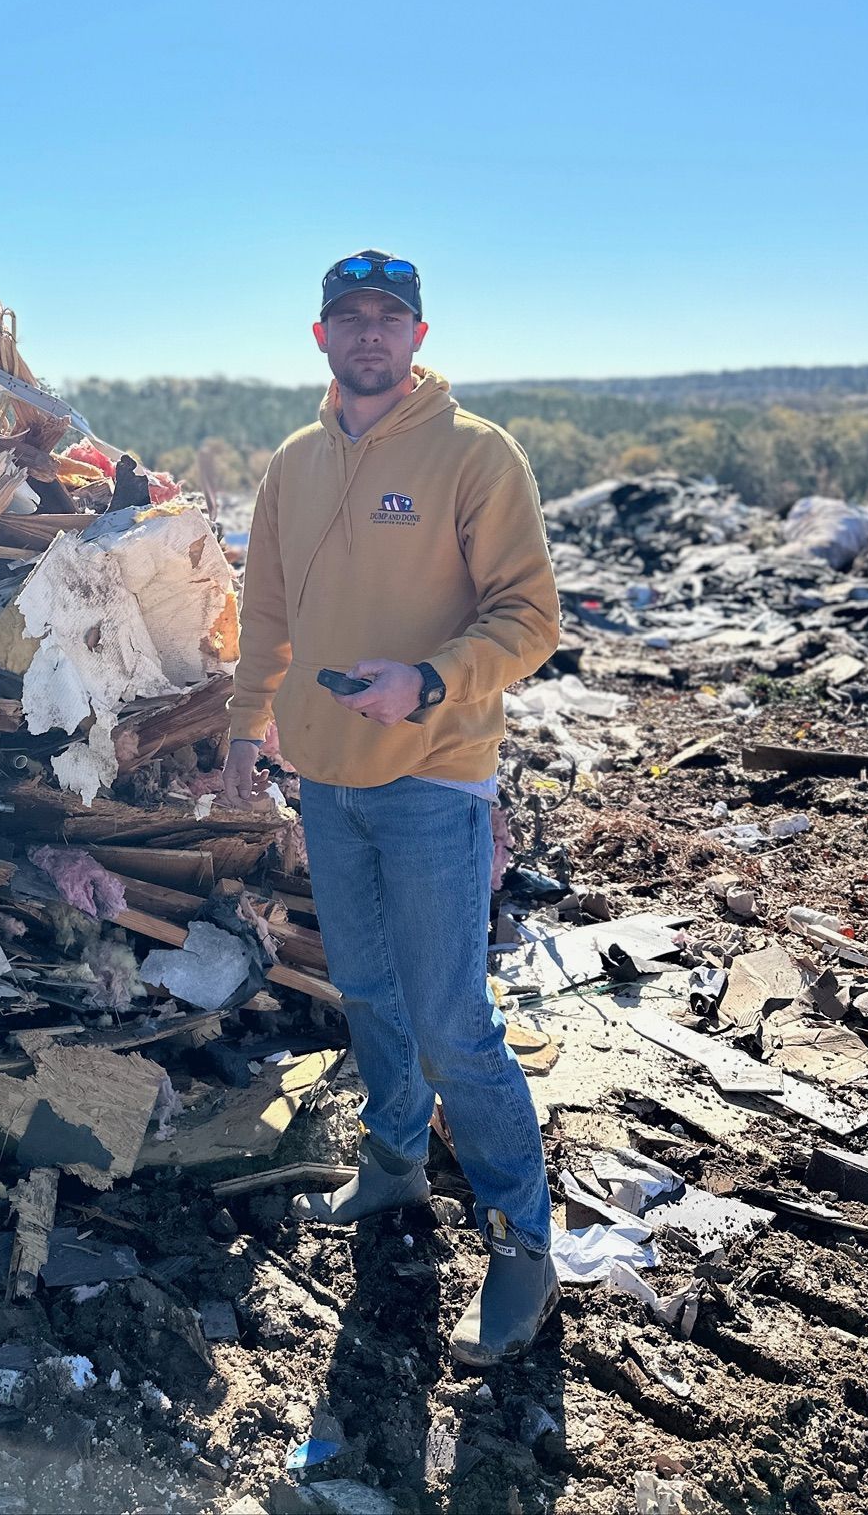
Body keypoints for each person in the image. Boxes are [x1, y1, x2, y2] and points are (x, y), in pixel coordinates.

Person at [220, 249, 561, 1367]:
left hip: (431, 773)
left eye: (390, 316)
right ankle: (395, 1163)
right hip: (325, 777)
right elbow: (263, 608)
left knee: (454, 1014)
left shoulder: (474, 453)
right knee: (366, 987)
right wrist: (242, 724)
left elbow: (530, 616)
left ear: (418, 334)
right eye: (349, 316)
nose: (370, 332)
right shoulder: (294, 461)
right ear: (320, 336)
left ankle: (522, 1241)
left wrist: (427, 679)